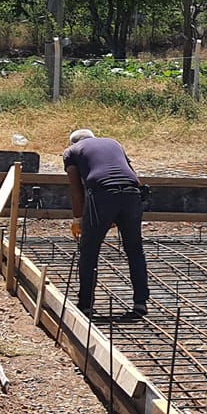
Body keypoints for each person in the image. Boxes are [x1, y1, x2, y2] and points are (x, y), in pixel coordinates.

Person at [63, 128, 150, 318]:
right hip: (132, 194)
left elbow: (77, 189)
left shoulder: (71, 151)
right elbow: (132, 175)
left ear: (73, 143)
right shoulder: (113, 143)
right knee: (135, 250)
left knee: (89, 250)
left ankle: (85, 305)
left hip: (102, 195)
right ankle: (140, 303)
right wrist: (117, 215)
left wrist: (78, 219)